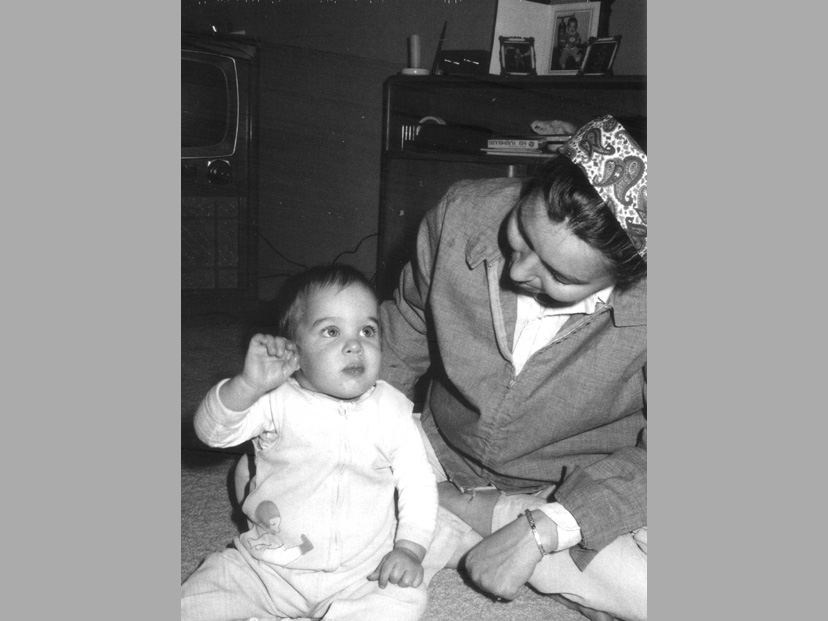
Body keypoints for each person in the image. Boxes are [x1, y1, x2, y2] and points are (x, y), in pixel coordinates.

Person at [378, 115, 647, 621]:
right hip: (438, 451)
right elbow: (407, 323)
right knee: (268, 478)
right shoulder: (462, 211)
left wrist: (542, 530)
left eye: (561, 275)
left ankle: (456, 517)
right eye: (522, 232)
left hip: (571, 486)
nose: (517, 271)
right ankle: (474, 529)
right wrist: (360, 435)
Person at [182, 265, 438, 621]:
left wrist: (410, 549)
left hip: (360, 575)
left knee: (406, 597)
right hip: (268, 568)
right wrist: (247, 386)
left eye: (367, 331)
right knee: (202, 594)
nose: (355, 345)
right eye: (331, 331)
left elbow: (419, 483)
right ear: (294, 350)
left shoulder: (392, 410)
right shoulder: (275, 400)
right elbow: (212, 432)